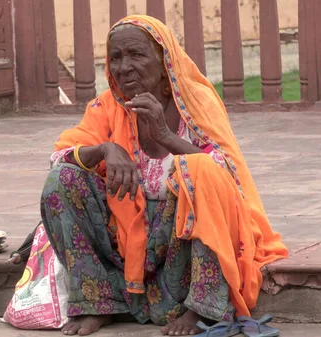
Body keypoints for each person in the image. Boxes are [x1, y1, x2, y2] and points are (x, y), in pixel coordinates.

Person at [40, 15, 288, 337]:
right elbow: (58, 155)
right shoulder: (107, 107)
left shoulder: (197, 104)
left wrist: (165, 135)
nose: (124, 67)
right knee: (63, 178)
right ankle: (95, 302)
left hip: (181, 248)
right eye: (115, 58)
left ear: (163, 60)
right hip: (127, 249)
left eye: (136, 55)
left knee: (200, 168)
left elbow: (229, 176)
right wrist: (105, 150)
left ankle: (202, 308)